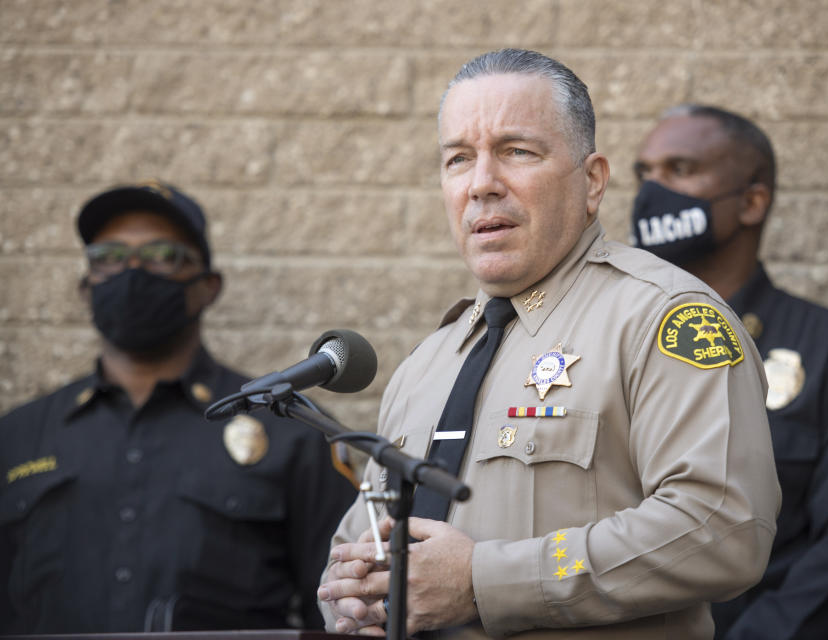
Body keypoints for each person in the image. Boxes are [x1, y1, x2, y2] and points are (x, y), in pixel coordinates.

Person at [317, 49, 780, 639]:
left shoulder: (664, 320)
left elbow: (724, 528)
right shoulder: (427, 364)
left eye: (517, 151)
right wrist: (349, 599)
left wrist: (483, 581)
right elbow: (355, 546)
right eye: (459, 159)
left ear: (592, 182)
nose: (482, 184)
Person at [0, 180, 357, 633]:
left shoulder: (294, 431)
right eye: (107, 257)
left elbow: (340, 614)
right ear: (85, 286)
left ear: (208, 287)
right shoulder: (17, 438)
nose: (131, 272)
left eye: (162, 256)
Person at [629, 104, 828, 639]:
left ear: (752, 201)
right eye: (645, 173)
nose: (651, 191)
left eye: (680, 170)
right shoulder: (614, 344)